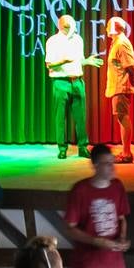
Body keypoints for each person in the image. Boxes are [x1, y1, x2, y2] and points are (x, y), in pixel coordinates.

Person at [44, 14, 103, 160]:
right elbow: (49, 65)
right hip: (60, 82)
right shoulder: (53, 41)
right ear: (60, 26)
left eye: (72, 27)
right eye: (67, 27)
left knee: (80, 117)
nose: (70, 30)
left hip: (77, 81)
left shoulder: (78, 39)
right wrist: (62, 61)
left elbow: (79, 61)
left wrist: (86, 61)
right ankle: (62, 148)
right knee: (60, 117)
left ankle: (83, 147)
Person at [104, 16, 134, 163]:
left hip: (122, 85)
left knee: (123, 117)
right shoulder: (116, 43)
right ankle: (126, 151)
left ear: (115, 27)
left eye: (108, 25)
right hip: (118, 85)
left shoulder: (121, 43)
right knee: (122, 117)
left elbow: (130, 66)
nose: (106, 28)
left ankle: (127, 154)